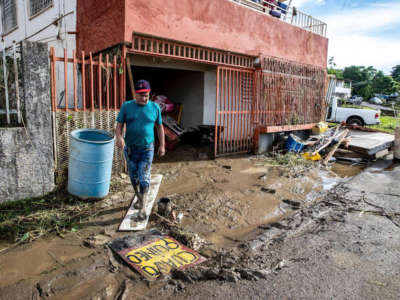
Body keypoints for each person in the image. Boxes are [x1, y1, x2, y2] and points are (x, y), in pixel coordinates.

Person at [115, 79, 165, 221]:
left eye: (146, 95)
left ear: (149, 94)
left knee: (144, 179)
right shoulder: (127, 106)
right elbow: (119, 126)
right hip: (130, 150)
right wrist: (119, 137)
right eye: (141, 95)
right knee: (134, 178)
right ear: (135, 94)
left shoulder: (155, 108)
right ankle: (139, 197)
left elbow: (159, 127)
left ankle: (142, 207)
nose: (144, 98)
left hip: (146, 149)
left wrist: (162, 145)